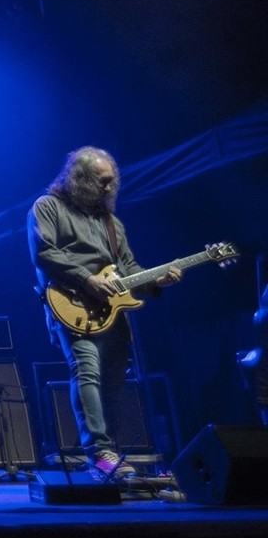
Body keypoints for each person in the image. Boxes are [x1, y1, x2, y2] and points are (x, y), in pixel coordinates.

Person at [29, 147, 178, 481]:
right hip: (70, 303)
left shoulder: (112, 223)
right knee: (87, 370)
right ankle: (99, 452)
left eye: (112, 181)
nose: (109, 188)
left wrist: (156, 279)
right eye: (102, 181)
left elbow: (128, 269)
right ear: (79, 179)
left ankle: (112, 450)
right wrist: (87, 278)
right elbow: (44, 252)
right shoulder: (48, 207)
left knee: (113, 380)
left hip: (111, 312)